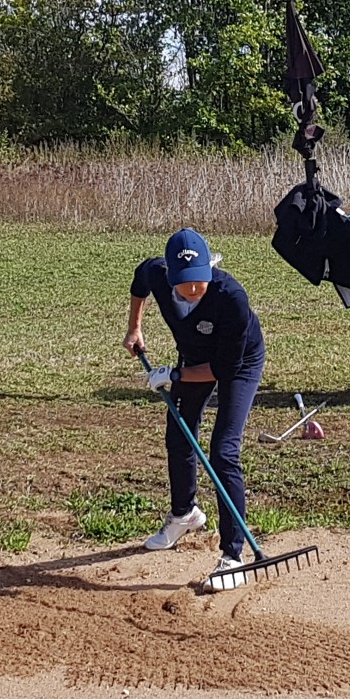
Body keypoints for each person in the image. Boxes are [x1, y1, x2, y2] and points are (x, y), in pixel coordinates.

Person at [122, 228, 266, 589]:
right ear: (170, 274)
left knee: (224, 450)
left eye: (199, 282)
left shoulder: (232, 297)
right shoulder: (157, 273)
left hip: (239, 362)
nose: (192, 290)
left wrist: (174, 374)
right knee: (178, 435)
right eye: (185, 283)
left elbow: (221, 370)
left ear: (210, 268)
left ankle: (233, 555)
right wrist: (134, 328)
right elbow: (140, 282)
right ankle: (184, 515)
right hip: (194, 357)